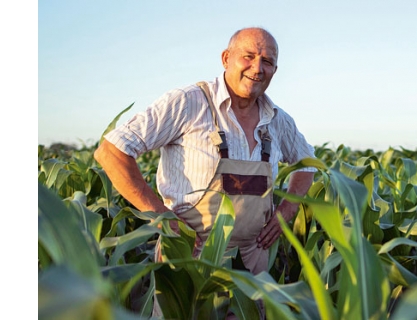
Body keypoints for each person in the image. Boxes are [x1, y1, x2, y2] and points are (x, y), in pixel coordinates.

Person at [94, 26, 316, 317]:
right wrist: (161, 215)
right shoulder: (189, 102)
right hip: (189, 258)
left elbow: (308, 163)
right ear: (226, 58)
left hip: (252, 260)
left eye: (267, 61)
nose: (257, 68)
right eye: (248, 56)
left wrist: (287, 211)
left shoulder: (277, 119)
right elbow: (111, 151)